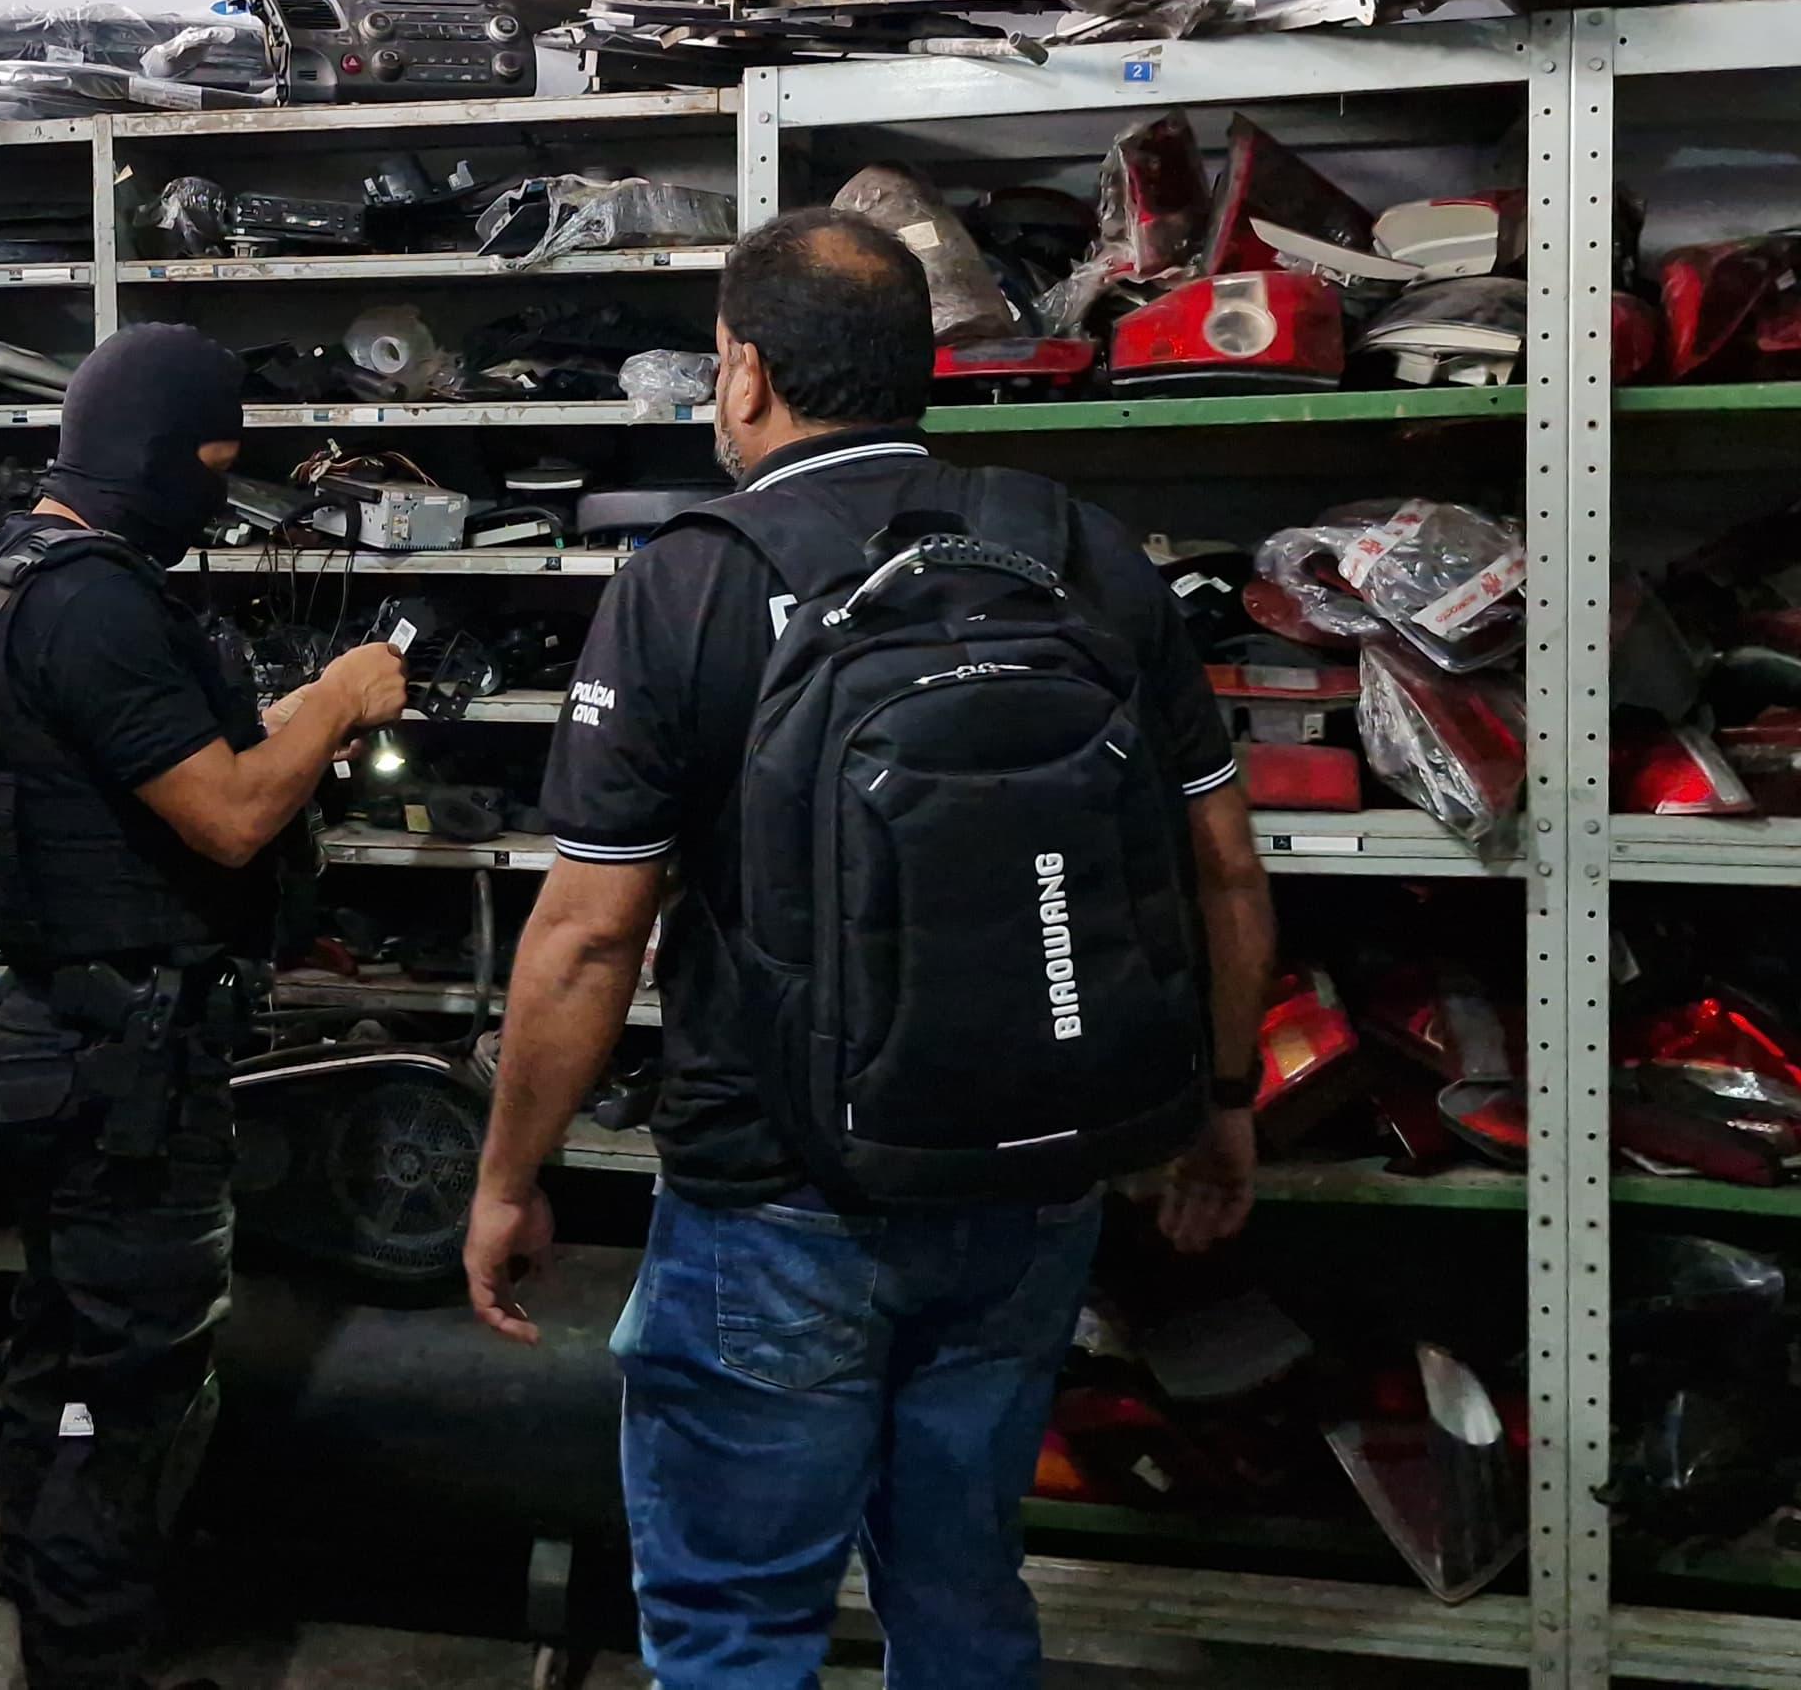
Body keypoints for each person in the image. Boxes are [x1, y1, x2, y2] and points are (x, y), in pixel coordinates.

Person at [459, 210, 1277, 1690]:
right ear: (922, 370)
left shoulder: (689, 581)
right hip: (1039, 1171)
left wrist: (511, 1177)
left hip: (779, 1189)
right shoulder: (1077, 549)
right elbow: (1222, 867)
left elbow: (589, 937)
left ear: (747, 373)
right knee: (962, 1587)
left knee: (737, 1626)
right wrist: (1223, 1101)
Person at [0, 323, 408, 1690]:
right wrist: (338, 698)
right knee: (128, 1388)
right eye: (213, 463)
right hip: (124, 1063)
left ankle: (63, 1635)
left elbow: (123, 770)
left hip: (62, 1033)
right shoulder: (94, 602)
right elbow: (230, 816)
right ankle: (88, 1661)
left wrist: (281, 711)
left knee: (64, 1363)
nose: (218, 492)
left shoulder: (5, 568)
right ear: (156, 455)